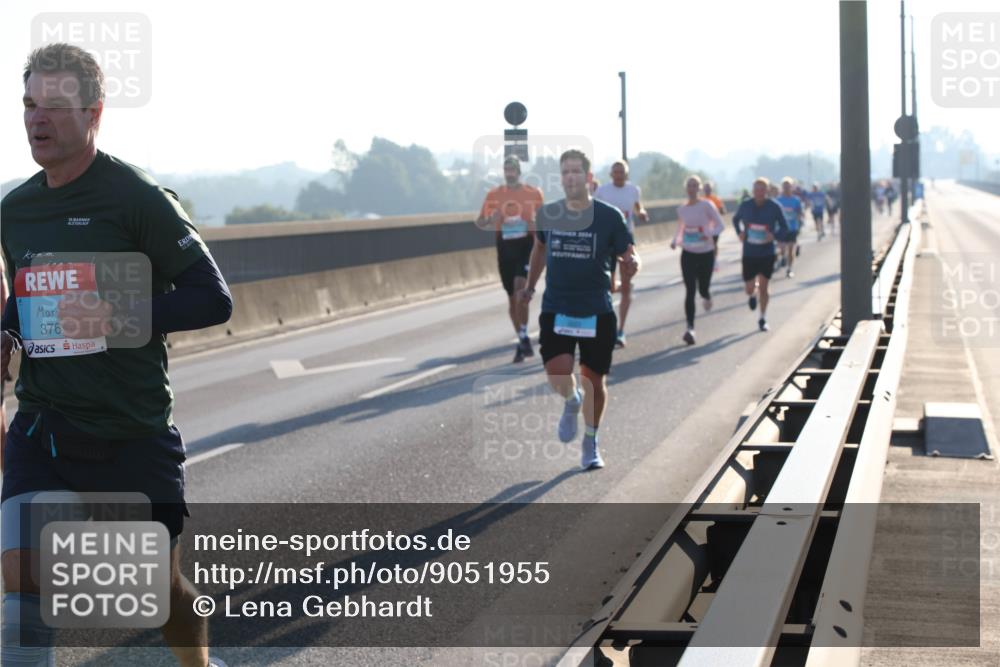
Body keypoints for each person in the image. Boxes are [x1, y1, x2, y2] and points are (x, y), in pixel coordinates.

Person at [1, 43, 232, 667]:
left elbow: (214, 299)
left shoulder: (136, 198)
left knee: (162, 595)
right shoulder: (15, 211)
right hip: (43, 427)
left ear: (94, 113)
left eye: (55, 106)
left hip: (130, 430)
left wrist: (116, 314)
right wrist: (7, 335)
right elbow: (25, 297)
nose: (36, 119)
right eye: (28, 104)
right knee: (21, 576)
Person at [519, 149, 639, 470]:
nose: (570, 177)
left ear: (588, 177)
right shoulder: (549, 214)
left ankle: (591, 442)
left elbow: (628, 253)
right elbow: (539, 249)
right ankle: (572, 401)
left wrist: (632, 264)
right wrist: (530, 286)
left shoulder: (609, 216)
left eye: (576, 171)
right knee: (558, 374)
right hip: (557, 306)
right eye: (565, 172)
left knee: (594, 381)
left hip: (596, 309)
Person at [476, 156, 544, 362]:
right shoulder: (494, 195)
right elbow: (480, 221)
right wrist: (491, 219)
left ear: (519, 171)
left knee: (520, 289)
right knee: (512, 298)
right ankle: (522, 338)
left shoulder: (533, 193)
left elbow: (545, 219)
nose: (509, 173)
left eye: (512, 169)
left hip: (526, 246)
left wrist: (534, 223)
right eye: (506, 169)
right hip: (505, 248)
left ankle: (522, 334)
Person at [594, 160, 647, 349]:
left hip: (625, 238)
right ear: (611, 174)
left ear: (626, 174)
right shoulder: (602, 191)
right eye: (615, 172)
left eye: (622, 172)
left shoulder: (633, 190)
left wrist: (641, 213)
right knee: (608, 287)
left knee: (625, 287)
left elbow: (638, 207)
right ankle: (617, 285)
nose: (618, 175)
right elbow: (593, 211)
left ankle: (620, 330)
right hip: (605, 240)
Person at [671, 176, 724, 345]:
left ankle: (707, 295)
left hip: (706, 252)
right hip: (688, 252)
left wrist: (708, 233)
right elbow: (681, 227)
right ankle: (690, 328)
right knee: (690, 290)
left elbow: (720, 225)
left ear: (699, 188)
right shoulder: (682, 209)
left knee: (702, 289)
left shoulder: (707, 205)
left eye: (695, 185)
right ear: (686, 188)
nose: (692, 188)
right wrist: (675, 240)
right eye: (689, 185)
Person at [732, 178, 788, 332]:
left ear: (767, 190)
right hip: (749, 252)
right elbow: (735, 220)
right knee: (749, 289)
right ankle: (752, 295)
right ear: (753, 190)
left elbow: (784, 226)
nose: (759, 192)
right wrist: (739, 232)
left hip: (766, 253)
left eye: (762, 189)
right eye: (757, 189)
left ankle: (762, 318)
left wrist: (774, 235)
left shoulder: (774, 207)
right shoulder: (745, 205)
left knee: (764, 287)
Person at [775, 177, 803, 278]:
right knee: (782, 248)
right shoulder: (778, 200)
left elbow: (800, 213)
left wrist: (798, 221)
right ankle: (783, 256)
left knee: (791, 249)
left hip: (792, 228)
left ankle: (790, 269)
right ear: (782, 187)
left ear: (792, 187)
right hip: (781, 229)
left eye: (788, 186)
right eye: (785, 186)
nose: (786, 188)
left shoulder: (796, 200)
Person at [701, 181, 727, 272]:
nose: (707, 190)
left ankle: (714, 260)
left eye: (709, 188)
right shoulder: (701, 199)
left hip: (715, 226)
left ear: (711, 189)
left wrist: (719, 210)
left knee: (714, 243)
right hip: (704, 226)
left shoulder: (716, 199)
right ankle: (706, 261)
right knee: (704, 244)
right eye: (706, 188)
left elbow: (723, 211)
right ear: (703, 189)